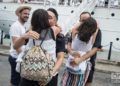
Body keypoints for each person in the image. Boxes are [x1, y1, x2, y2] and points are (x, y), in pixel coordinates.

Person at [13, 9, 62, 86]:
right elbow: (59, 28)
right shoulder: (53, 30)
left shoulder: (29, 33)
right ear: (46, 19)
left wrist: (24, 36)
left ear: (33, 20)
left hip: (29, 73)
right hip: (46, 73)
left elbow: (15, 46)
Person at [62, 17, 98, 86]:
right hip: (83, 63)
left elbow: (74, 28)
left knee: (66, 82)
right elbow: (96, 29)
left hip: (71, 61)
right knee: (78, 83)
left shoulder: (75, 34)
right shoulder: (92, 38)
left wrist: (82, 22)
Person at [70, 12, 102, 86]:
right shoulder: (92, 35)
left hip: (86, 61)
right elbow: (68, 44)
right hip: (78, 61)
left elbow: (96, 47)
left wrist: (81, 59)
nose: (85, 23)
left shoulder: (75, 33)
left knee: (85, 81)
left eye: (87, 20)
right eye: (83, 21)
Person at [9, 5, 31, 86]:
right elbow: (16, 45)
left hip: (18, 57)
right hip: (16, 58)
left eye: (28, 14)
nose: (27, 16)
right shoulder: (16, 26)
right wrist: (24, 60)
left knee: (17, 81)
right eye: (25, 13)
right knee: (15, 82)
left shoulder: (21, 26)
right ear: (19, 14)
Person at [47, 7, 65, 86]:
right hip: (34, 73)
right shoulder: (36, 32)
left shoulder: (59, 37)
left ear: (56, 21)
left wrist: (50, 74)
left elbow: (60, 57)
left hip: (51, 74)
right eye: (45, 17)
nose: (46, 20)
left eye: (50, 18)